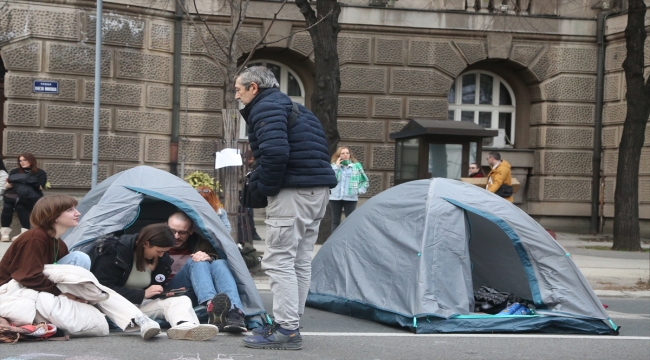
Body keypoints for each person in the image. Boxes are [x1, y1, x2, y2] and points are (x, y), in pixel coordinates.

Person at [235, 66, 337, 350]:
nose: (237, 95)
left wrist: (262, 188)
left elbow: (276, 153)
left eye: (239, 89)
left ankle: (286, 330)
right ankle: (291, 321)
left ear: (253, 87)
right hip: (318, 191)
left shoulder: (265, 107)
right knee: (300, 260)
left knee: (279, 260)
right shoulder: (296, 107)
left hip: (294, 193)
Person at [0, 194, 163, 340]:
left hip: (34, 288)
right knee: (80, 260)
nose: (77, 213)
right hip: (11, 290)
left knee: (90, 285)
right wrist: (63, 293)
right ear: (54, 216)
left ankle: (136, 319)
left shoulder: (59, 244)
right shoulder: (35, 238)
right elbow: (27, 276)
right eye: (70, 210)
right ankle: (137, 318)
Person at [91, 223, 219, 341]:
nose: (162, 255)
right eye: (159, 251)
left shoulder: (161, 259)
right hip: (114, 305)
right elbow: (101, 288)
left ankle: (185, 326)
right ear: (146, 243)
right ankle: (146, 323)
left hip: (140, 303)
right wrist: (142, 294)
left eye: (165, 251)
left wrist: (162, 293)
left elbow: (154, 288)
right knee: (109, 298)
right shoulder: (114, 252)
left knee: (182, 300)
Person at [165, 212, 247, 333]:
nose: (176, 236)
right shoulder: (157, 241)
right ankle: (211, 304)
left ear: (191, 231)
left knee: (219, 263)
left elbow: (217, 261)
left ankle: (234, 312)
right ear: (165, 227)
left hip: (195, 292)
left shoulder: (201, 243)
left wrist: (209, 258)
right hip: (170, 292)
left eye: (182, 232)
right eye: (172, 231)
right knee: (196, 261)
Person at [1, 153, 47, 242]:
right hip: (14, 196)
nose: (22, 162)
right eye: (20, 161)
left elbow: (41, 186)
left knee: (21, 207)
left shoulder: (40, 172)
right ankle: (4, 233)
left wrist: (23, 180)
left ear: (31, 160)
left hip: (30, 198)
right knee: (7, 207)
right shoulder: (15, 171)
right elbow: (9, 184)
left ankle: (24, 233)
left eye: (24, 160)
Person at [329, 146, 369, 232]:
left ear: (350, 155)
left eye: (347, 153)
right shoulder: (333, 166)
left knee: (350, 220)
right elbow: (330, 179)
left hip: (351, 198)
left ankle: (348, 242)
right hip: (335, 197)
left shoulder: (356, 166)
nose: (345, 155)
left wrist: (358, 191)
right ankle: (334, 242)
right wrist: (337, 167)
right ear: (338, 155)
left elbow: (365, 181)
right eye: (342, 153)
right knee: (335, 220)